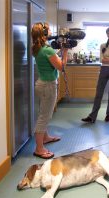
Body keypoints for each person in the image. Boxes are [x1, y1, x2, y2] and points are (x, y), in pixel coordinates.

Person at [31, 22, 68, 159]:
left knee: (43, 113)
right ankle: (39, 148)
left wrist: (58, 52)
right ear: (44, 33)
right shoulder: (47, 50)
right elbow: (61, 67)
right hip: (48, 86)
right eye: (50, 30)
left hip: (42, 84)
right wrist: (65, 53)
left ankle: (45, 137)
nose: (52, 32)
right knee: (44, 117)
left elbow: (49, 60)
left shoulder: (39, 48)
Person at [82, 27, 109, 123]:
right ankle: (92, 116)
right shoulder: (103, 46)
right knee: (98, 93)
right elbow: (102, 60)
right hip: (104, 69)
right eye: (108, 33)